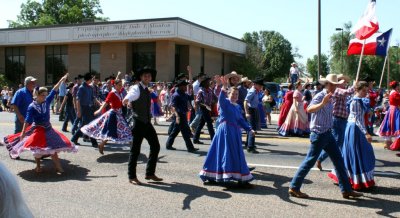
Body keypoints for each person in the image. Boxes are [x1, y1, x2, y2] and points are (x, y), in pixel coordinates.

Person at [288, 74, 363, 199]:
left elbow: (346, 93)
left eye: (335, 84)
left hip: (328, 133)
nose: (334, 86)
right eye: (332, 84)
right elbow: (310, 109)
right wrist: (323, 103)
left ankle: (346, 190)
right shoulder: (320, 95)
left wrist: (353, 86)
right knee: (309, 161)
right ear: (327, 84)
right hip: (318, 134)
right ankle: (294, 187)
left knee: (339, 161)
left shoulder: (332, 95)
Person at [2, 74, 78, 173]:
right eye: (43, 95)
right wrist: (23, 132)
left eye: (46, 95)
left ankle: (58, 166)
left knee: (53, 148)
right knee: (37, 149)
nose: (45, 97)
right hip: (37, 129)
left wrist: (61, 80)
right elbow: (27, 120)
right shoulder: (32, 106)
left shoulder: (46, 101)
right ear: (37, 95)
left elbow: (54, 89)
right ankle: (38, 166)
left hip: (48, 129)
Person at [199, 76, 255, 187]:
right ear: (228, 94)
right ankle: (216, 175)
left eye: (236, 95)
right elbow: (220, 98)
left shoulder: (238, 107)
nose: (234, 96)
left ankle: (239, 177)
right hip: (224, 132)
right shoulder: (225, 103)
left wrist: (249, 129)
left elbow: (240, 120)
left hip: (234, 132)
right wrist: (224, 87)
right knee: (223, 153)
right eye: (233, 94)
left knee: (236, 154)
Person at [328, 81, 375, 190]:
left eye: (366, 90)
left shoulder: (359, 100)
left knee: (360, 153)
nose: (365, 92)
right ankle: (353, 179)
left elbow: (361, 117)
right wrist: (366, 133)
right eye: (363, 90)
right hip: (355, 128)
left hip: (356, 128)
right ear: (357, 90)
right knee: (357, 154)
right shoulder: (355, 101)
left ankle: (353, 178)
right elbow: (357, 119)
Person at [123, 68, 163, 185]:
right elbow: (130, 95)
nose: (147, 78)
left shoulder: (147, 89)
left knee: (155, 146)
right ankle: (132, 176)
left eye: (149, 76)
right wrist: (126, 100)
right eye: (145, 76)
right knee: (135, 150)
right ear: (141, 77)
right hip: (138, 123)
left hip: (146, 122)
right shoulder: (136, 88)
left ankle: (149, 173)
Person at [81, 79, 132, 155]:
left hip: (119, 114)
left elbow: (120, 102)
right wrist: (99, 110)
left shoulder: (119, 93)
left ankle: (133, 148)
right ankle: (101, 145)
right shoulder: (112, 93)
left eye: (121, 85)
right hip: (113, 114)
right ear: (115, 85)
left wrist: (127, 103)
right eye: (119, 85)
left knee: (126, 130)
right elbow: (106, 102)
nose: (121, 86)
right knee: (111, 132)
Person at [316, 74, 355, 170]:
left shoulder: (338, 90)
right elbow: (348, 92)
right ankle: (322, 159)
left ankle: (340, 164)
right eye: (343, 82)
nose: (345, 83)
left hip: (342, 119)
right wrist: (355, 85)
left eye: (345, 82)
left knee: (339, 143)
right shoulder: (337, 90)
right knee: (337, 143)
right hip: (337, 119)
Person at [165, 80, 199, 152]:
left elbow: (191, 98)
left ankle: (168, 145)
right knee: (185, 133)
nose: (185, 87)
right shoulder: (176, 95)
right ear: (180, 86)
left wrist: (192, 90)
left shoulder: (184, 94)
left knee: (175, 131)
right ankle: (190, 148)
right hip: (179, 116)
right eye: (184, 86)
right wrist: (177, 116)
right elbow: (173, 107)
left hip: (183, 115)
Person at [70, 73, 100, 148]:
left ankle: (74, 139)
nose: (92, 81)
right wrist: (79, 111)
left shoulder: (90, 87)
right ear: (88, 79)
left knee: (84, 125)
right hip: (84, 108)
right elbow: (78, 100)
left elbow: (93, 97)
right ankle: (94, 142)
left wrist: (100, 103)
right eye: (91, 79)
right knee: (90, 125)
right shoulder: (82, 88)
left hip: (90, 108)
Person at [193, 76, 216, 144]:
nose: (209, 83)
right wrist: (205, 105)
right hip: (203, 109)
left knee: (201, 124)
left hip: (209, 109)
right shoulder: (200, 91)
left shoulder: (210, 90)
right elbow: (197, 102)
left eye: (209, 81)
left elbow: (215, 98)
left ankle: (195, 139)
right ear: (204, 83)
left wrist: (214, 101)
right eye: (207, 82)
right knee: (209, 124)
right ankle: (213, 140)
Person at [244, 77, 264, 153]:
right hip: (251, 110)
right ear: (255, 84)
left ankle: (248, 143)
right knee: (252, 129)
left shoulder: (256, 91)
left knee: (252, 128)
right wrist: (246, 112)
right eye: (260, 85)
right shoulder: (252, 91)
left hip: (254, 109)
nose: (261, 87)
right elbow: (245, 101)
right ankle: (250, 147)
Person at [379, 81, 400, 150]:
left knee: (389, 125)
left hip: (391, 109)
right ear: (396, 86)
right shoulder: (395, 93)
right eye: (398, 85)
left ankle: (388, 143)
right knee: (395, 126)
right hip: (395, 110)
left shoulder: (392, 92)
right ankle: (390, 144)